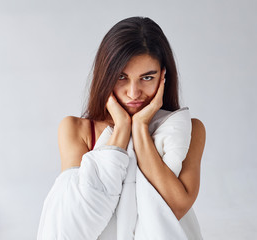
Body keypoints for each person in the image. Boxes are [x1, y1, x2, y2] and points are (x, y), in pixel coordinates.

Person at [37, 16, 206, 240]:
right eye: (121, 77)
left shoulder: (189, 130)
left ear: (164, 77)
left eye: (147, 77)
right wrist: (122, 128)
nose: (133, 92)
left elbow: (175, 208)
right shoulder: (77, 130)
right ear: (105, 76)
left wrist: (140, 128)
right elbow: (76, 219)